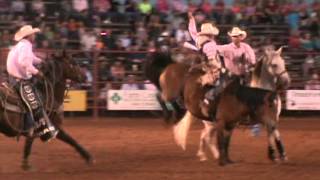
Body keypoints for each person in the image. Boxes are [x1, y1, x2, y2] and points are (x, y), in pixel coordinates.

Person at [6, 25, 58, 142]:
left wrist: (41, 61)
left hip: (13, 78)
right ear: (29, 36)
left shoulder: (21, 45)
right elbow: (24, 62)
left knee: (33, 99)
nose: (34, 35)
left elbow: (31, 58)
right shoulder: (25, 46)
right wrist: (37, 72)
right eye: (33, 34)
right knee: (34, 102)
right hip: (19, 80)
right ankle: (32, 127)